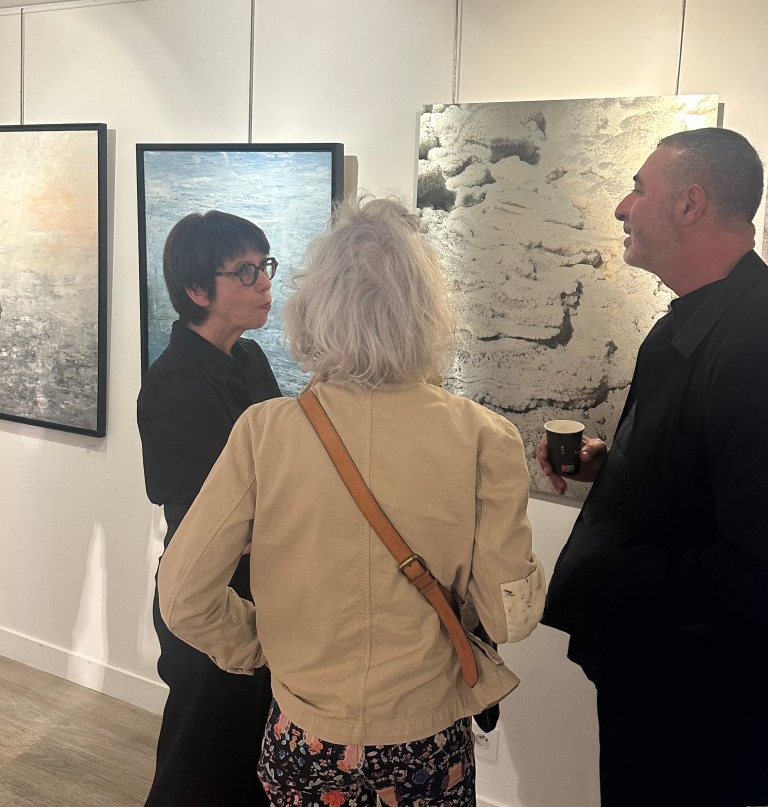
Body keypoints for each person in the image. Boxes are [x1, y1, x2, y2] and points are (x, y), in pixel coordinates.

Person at [157, 196, 545, 807]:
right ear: (427, 313)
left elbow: (183, 597)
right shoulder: (484, 437)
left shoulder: (265, 430)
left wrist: (263, 644)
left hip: (304, 732)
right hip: (424, 735)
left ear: (315, 308)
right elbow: (510, 619)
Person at [537, 128, 768, 807]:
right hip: (657, 681)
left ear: (690, 204)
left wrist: (611, 574)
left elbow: (755, 569)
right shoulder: (690, 322)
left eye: (638, 189)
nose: (621, 207)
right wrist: (614, 467)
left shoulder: (755, 343)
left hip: (702, 709)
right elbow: (699, 478)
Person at [137, 210, 282, 807]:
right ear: (198, 290)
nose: (264, 282)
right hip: (204, 595)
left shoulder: (250, 359)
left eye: (264, 266)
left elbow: (280, 470)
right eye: (245, 271)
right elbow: (216, 514)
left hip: (258, 586)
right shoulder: (172, 384)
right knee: (198, 764)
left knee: (251, 758)